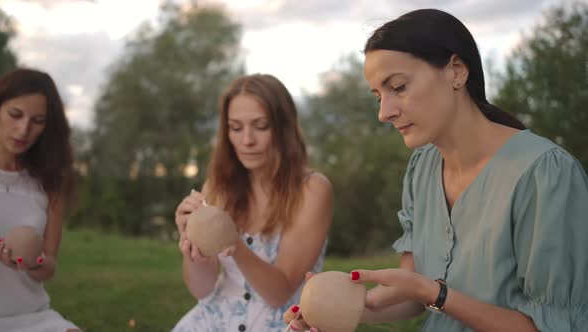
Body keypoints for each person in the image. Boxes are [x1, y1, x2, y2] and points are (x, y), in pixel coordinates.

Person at [285, 8, 588, 332]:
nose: (384, 113)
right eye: (378, 96)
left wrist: (436, 294)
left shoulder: (545, 175)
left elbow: (552, 326)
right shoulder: (422, 167)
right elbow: (412, 296)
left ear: (456, 71)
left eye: (398, 87)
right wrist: (338, 309)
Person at [172, 74, 333, 332]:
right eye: (236, 128)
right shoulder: (217, 187)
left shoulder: (312, 189)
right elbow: (202, 290)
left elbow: (279, 293)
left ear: (284, 128)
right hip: (212, 322)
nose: (247, 140)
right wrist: (193, 247)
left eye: (260, 126)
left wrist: (233, 243)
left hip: (284, 324)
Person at [0, 68, 79, 331]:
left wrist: (34, 263)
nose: (24, 130)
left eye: (38, 120)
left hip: (31, 315)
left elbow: (49, 266)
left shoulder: (50, 182)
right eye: (16, 115)